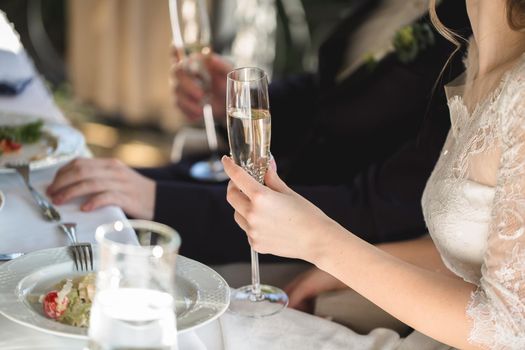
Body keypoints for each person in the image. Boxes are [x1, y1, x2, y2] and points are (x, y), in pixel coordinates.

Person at [47, 0, 469, 264]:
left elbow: (377, 209)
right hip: (271, 172)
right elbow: (331, 94)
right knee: (73, 194)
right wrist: (241, 97)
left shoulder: (470, 38)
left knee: (103, 224)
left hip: (311, 229)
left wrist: (157, 200)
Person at [222, 0, 525, 347]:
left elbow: (510, 329)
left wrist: (320, 242)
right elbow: (476, 253)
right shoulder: (474, 57)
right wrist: (336, 270)